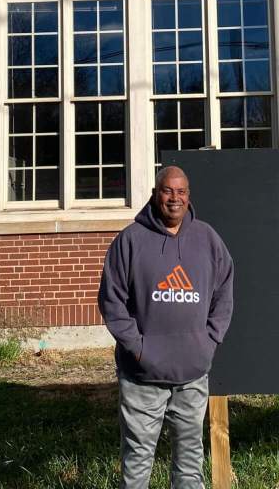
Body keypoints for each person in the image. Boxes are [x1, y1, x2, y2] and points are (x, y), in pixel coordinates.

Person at [98, 165, 234, 489]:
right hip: (141, 376)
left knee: (189, 462)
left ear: (189, 196)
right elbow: (111, 301)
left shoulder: (207, 240)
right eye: (167, 191)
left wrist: (209, 340)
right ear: (155, 194)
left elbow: (225, 290)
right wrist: (140, 348)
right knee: (137, 461)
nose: (175, 198)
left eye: (181, 191)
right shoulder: (130, 240)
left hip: (192, 375)